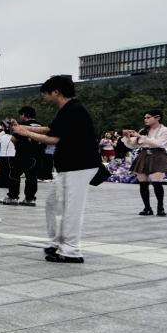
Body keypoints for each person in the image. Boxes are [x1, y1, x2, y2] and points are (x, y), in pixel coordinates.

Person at [11, 75, 101, 263]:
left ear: (56, 92)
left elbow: (54, 139)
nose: (44, 97)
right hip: (69, 165)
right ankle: (58, 243)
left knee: (70, 209)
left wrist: (25, 132)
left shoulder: (74, 110)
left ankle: (71, 251)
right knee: (53, 204)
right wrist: (23, 128)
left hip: (78, 165)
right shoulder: (68, 109)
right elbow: (50, 129)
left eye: (45, 93)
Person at [122, 109, 167, 216]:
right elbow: (132, 145)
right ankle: (147, 208)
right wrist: (128, 137)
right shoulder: (143, 130)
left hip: (158, 155)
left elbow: (159, 143)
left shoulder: (166, 130)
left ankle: (160, 208)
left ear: (157, 118)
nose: (145, 119)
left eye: (148, 117)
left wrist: (140, 136)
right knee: (143, 183)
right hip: (144, 155)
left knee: (156, 182)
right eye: (145, 118)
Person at [2, 106, 43, 206]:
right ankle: (30, 199)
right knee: (32, 177)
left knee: (14, 175)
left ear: (24, 114)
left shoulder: (23, 125)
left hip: (23, 154)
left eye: (21, 115)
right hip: (37, 155)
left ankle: (13, 197)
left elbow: (13, 139)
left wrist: (19, 146)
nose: (21, 117)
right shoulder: (41, 125)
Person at [0, 123, 15, 189]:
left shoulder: (1, 137)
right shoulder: (13, 137)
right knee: (10, 170)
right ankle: (9, 183)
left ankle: (1, 183)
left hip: (2, 156)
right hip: (12, 155)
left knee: (2, 170)